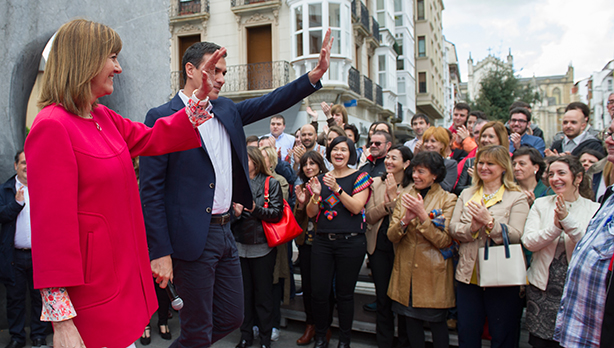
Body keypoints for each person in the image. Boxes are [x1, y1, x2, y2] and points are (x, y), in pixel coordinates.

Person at [24, 19, 220, 348]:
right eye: (112, 57)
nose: (118, 68)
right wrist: (62, 321)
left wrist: (197, 100)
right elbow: (50, 232)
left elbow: (158, 136)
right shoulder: (52, 126)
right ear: (85, 60)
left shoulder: (102, 116)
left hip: (120, 285)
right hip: (90, 298)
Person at [139, 29, 333, 347]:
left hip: (228, 231)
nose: (222, 78)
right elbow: (150, 191)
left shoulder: (227, 110)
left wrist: (313, 76)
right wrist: (159, 251)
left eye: (224, 72)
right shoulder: (161, 117)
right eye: (214, 70)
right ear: (190, 70)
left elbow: (271, 101)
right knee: (197, 329)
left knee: (231, 317)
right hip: (190, 238)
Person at [449, 145, 530, 348]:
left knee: (503, 334)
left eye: (490, 163)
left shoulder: (517, 196)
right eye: (480, 163)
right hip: (469, 275)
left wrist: (491, 223)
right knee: (467, 332)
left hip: (501, 276)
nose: (484, 167)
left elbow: (516, 235)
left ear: (503, 167)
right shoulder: (467, 194)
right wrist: (472, 228)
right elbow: (453, 228)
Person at [521, 156, 599, 348]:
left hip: (577, 290)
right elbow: (529, 242)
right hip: (542, 288)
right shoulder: (541, 204)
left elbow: (589, 246)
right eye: (551, 174)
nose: (555, 178)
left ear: (578, 178)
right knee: (540, 343)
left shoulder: (594, 208)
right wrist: (555, 229)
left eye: (561, 173)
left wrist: (567, 220)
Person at [305, 136, 373, 348]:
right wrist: (316, 196)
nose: (339, 153)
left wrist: (337, 189)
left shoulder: (360, 177)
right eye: (335, 149)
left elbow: (355, 207)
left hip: (351, 242)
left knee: (344, 294)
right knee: (319, 293)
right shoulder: (321, 178)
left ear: (350, 153)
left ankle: (344, 341)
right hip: (323, 241)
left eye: (343, 149)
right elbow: (311, 213)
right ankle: (320, 337)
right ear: (329, 153)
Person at [387, 151, 457, 348]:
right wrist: (405, 220)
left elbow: (444, 241)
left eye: (421, 171)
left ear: (434, 175)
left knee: (437, 325)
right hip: (406, 273)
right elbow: (391, 236)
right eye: (414, 171)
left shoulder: (448, 199)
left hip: (433, 274)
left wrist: (422, 216)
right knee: (411, 324)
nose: (416, 175)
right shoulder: (404, 197)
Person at [554, 120, 614, 348]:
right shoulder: (610, 196)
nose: (607, 141)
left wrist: (564, 220)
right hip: (586, 329)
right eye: (609, 133)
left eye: (613, 135)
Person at [231, 147, 283, 348]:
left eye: (247, 159)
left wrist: (255, 209)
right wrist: (235, 214)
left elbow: (277, 214)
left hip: (262, 247)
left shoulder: (272, 183)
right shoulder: (235, 182)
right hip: (239, 245)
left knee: (263, 295)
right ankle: (245, 336)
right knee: (244, 296)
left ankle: (265, 339)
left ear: (255, 161)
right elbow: (225, 215)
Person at [365, 144, 413, 348]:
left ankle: (403, 342)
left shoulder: (413, 187)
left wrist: (394, 199)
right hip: (378, 247)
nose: (389, 161)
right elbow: (369, 216)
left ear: (407, 163)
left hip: (402, 248)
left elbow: (405, 220)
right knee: (383, 299)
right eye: (388, 158)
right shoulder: (376, 182)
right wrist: (387, 205)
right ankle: (383, 342)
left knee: (402, 300)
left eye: (395, 158)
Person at [0, 151, 48, 348]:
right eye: (23, 163)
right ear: (15, 166)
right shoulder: (5, 190)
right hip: (14, 256)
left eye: (31, 162)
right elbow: (1, 215)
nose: (27, 166)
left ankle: (38, 335)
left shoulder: (43, 188)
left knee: (39, 297)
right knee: (15, 299)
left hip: (39, 255)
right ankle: (17, 337)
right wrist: (17, 204)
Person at [293, 151, 332, 345]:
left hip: (325, 243)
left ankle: (324, 327)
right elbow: (297, 220)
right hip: (306, 243)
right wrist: (301, 205)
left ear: (320, 165)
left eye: (312, 163)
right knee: (308, 287)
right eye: (305, 164)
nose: (309, 167)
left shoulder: (329, 184)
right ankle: (310, 325)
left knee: (323, 289)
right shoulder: (301, 187)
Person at [455, 121, 510, 195]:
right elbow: (458, 190)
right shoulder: (471, 162)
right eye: (483, 136)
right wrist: (477, 182)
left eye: (491, 136)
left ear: (500, 139)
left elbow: (510, 186)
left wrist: (481, 178)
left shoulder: (510, 162)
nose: (486, 140)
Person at [416, 126, 458, 192]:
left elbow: (446, 188)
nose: (428, 144)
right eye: (426, 141)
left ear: (442, 145)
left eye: (433, 141)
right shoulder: (419, 163)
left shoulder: (450, 164)